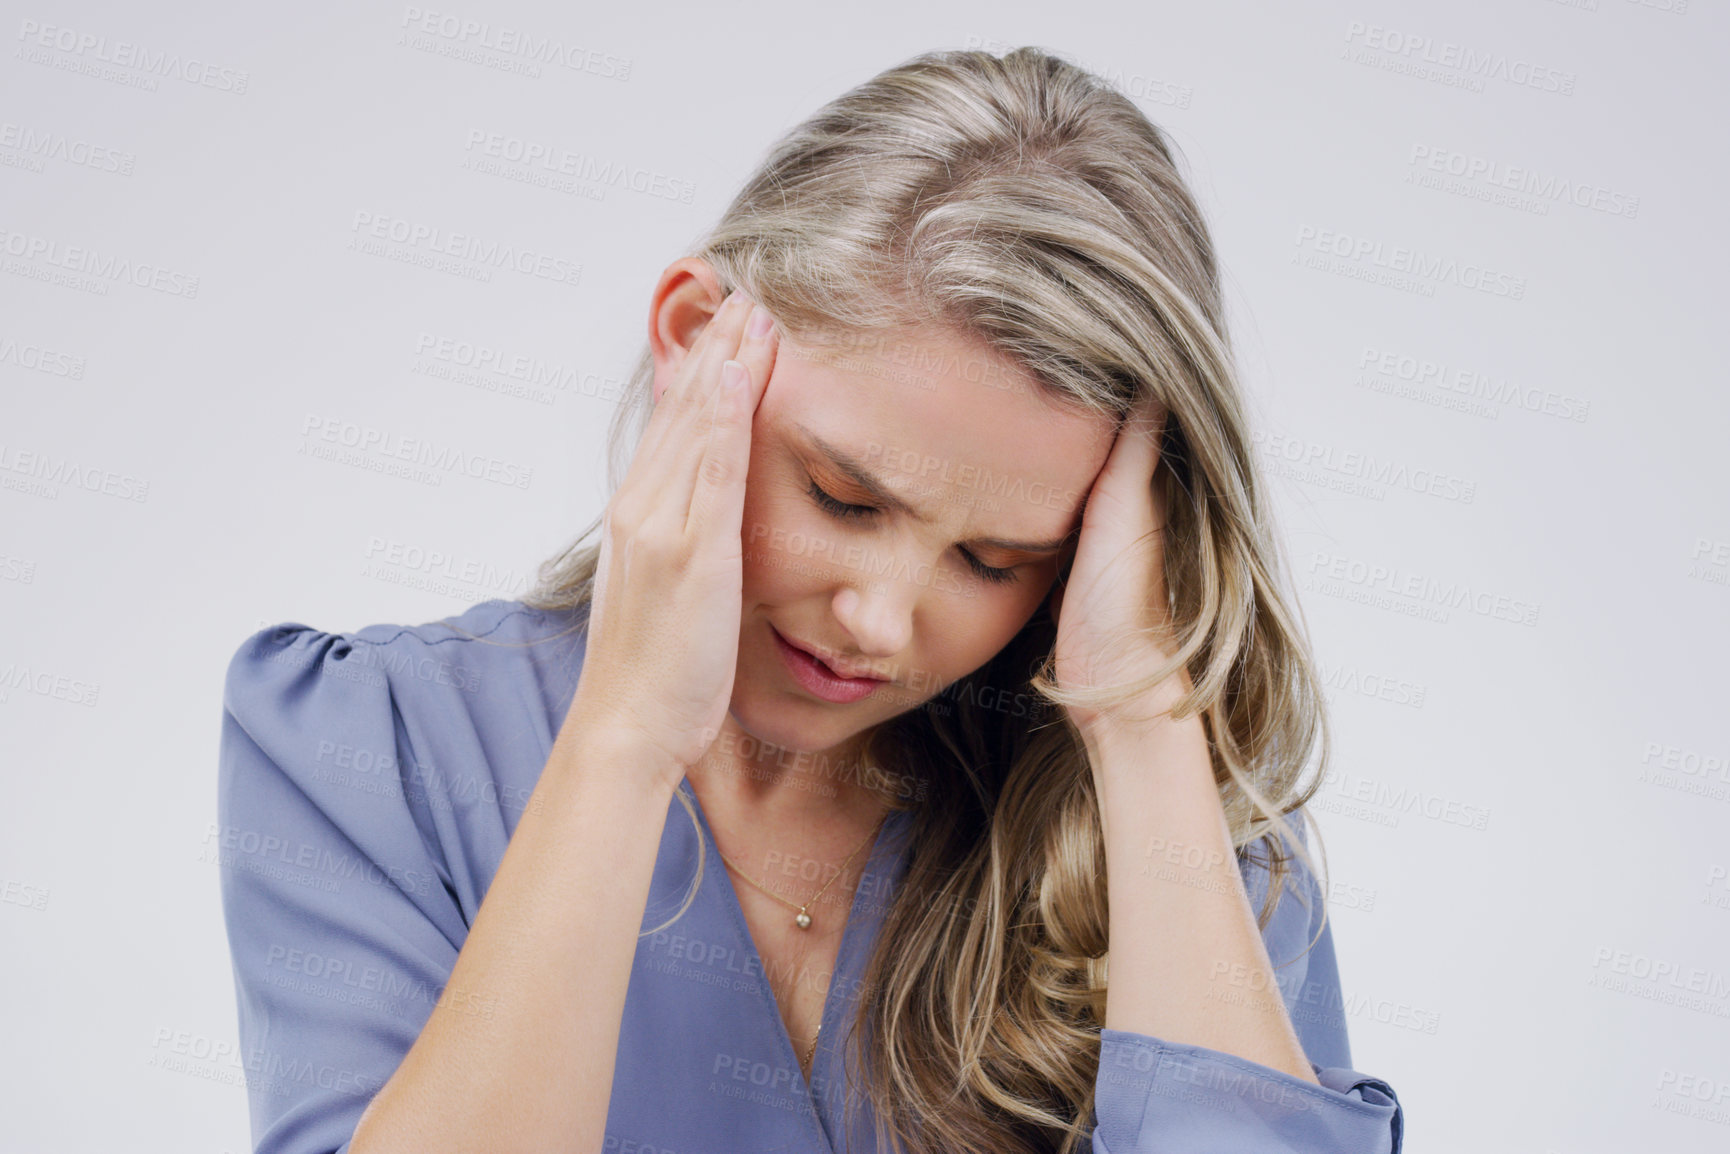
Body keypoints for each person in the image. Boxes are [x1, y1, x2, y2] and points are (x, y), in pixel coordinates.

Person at [217, 46, 1403, 1154]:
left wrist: (1143, 729)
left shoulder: (1169, 836)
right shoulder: (377, 745)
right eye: (843, 497)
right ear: (695, 339)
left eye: (995, 561)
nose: (880, 624)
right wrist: (624, 741)